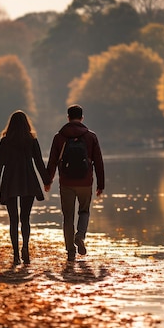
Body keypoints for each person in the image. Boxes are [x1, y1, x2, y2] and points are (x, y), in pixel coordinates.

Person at [46, 104, 104, 261]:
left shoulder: (59, 137)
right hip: (86, 182)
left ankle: (70, 251)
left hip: (66, 183)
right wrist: (101, 184)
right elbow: (98, 162)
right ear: (82, 118)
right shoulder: (91, 136)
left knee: (68, 217)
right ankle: (80, 236)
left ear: (68, 117)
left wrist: (48, 180)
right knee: (84, 211)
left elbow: (52, 161)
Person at [0, 110, 49, 266]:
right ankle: (25, 249)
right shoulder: (31, 140)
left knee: (13, 220)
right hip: (28, 180)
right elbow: (39, 162)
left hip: (10, 181)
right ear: (26, 124)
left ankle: (16, 254)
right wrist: (46, 181)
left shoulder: (5, 141)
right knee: (25, 218)